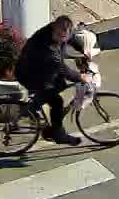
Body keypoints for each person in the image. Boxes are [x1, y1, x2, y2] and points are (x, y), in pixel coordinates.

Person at [14, 15, 83, 145]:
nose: (60, 39)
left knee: (59, 86)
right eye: (58, 35)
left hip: (42, 68)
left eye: (64, 36)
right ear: (53, 29)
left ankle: (37, 105)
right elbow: (64, 70)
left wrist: (84, 50)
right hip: (31, 74)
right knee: (57, 101)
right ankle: (58, 134)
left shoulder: (63, 30)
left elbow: (72, 38)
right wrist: (80, 77)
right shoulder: (47, 46)